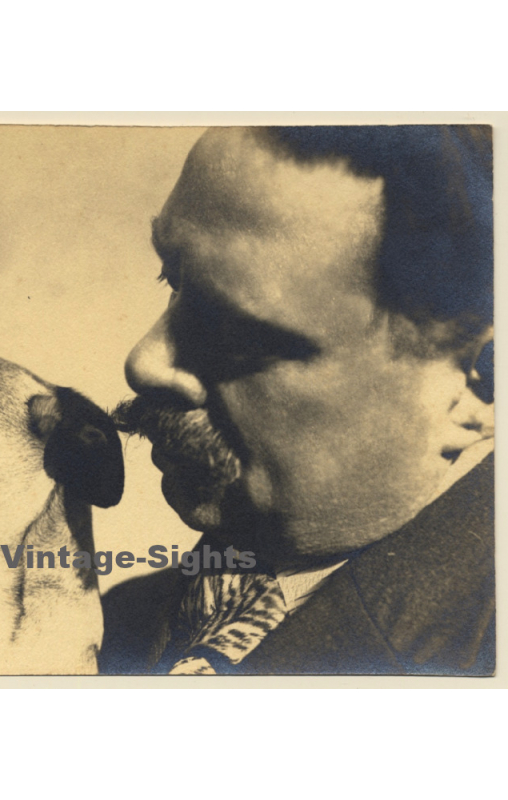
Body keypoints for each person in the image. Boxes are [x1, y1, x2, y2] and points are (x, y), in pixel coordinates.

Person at [100, 126, 494, 676]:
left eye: (234, 331)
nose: (143, 362)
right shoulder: (109, 625)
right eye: (173, 276)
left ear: (480, 385)